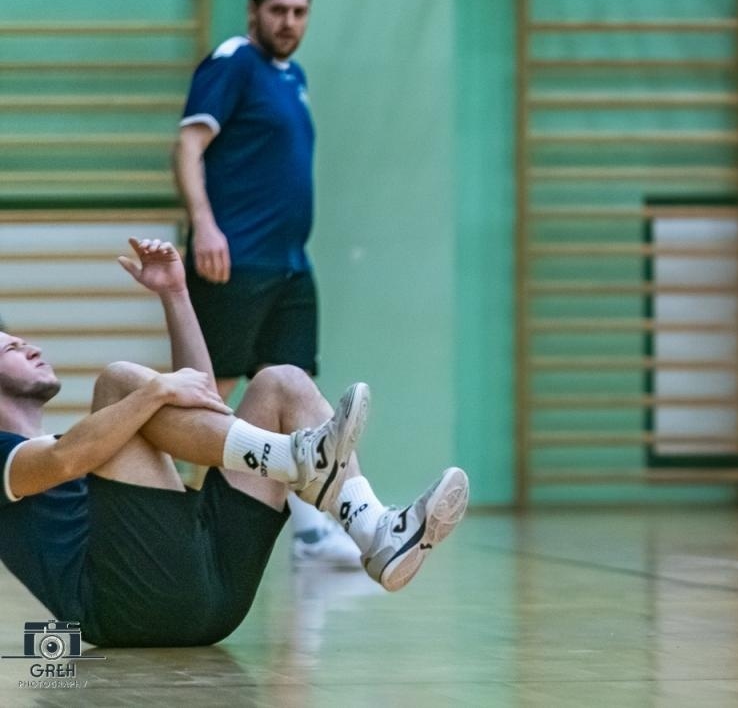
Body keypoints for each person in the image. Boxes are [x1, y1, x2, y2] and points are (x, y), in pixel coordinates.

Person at [0, 238, 469, 648]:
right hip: (125, 607)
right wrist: (157, 389)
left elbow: (204, 412)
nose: (30, 346)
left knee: (281, 382)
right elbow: (64, 460)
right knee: (121, 382)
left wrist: (176, 294)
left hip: (212, 587)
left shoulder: (90, 443)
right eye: (10, 349)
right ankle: (298, 459)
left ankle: (374, 531)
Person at [171, 0, 354, 564]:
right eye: (278, 10)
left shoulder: (293, 76)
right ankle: (167, 520)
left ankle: (309, 533)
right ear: (254, 11)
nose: (289, 22)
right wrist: (205, 226)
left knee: (296, 397)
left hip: (289, 268)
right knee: (207, 396)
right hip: (235, 261)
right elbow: (190, 145)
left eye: (300, 12)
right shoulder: (233, 61)